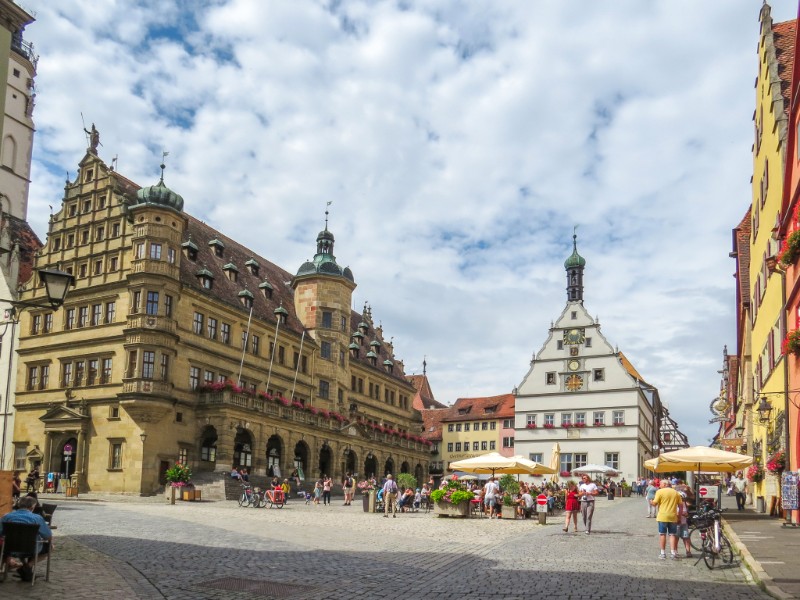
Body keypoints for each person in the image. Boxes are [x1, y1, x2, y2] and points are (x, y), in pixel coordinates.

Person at [0, 495, 52, 581]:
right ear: (32, 507)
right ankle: (28, 566)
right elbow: (48, 536)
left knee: (8, 544)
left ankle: (23, 568)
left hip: (10, 548)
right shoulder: (37, 518)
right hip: (32, 548)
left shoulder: (7, 517)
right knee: (49, 547)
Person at [651, 479, 682, 560]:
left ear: (664, 484)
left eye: (660, 484)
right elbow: (680, 505)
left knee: (662, 534)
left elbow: (654, 504)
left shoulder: (660, 492)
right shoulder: (675, 492)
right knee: (672, 535)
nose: (659, 485)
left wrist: (651, 501)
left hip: (662, 516)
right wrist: (679, 516)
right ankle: (672, 553)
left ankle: (663, 553)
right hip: (673, 516)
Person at [676, 491, 693, 558]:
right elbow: (675, 513)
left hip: (684, 523)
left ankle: (688, 551)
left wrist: (686, 514)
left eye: (683, 498)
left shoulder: (684, 503)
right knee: (676, 537)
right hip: (676, 523)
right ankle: (675, 551)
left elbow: (686, 512)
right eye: (681, 498)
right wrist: (681, 514)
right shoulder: (674, 503)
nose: (682, 500)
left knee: (686, 537)